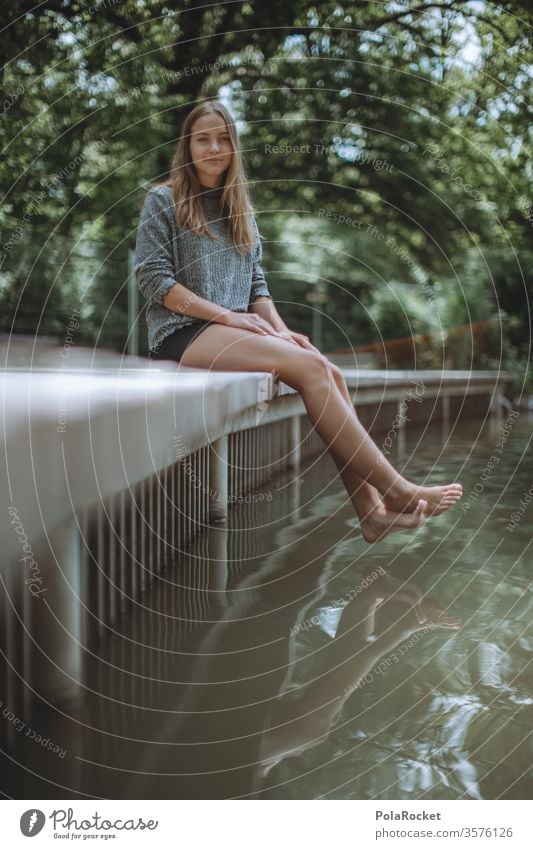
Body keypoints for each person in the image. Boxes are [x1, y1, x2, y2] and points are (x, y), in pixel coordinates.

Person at [134, 99, 463, 543]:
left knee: (326, 369)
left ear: (234, 148)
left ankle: (371, 513)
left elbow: (257, 287)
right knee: (310, 369)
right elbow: (153, 279)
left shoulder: (239, 210)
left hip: (230, 331)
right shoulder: (163, 200)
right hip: (182, 334)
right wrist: (226, 317)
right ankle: (398, 489)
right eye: (203, 138)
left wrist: (283, 332)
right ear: (187, 146)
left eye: (223, 138)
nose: (214, 147)